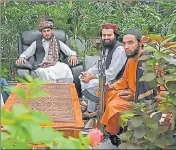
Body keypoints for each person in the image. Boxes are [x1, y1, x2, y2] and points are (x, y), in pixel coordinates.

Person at [94, 28, 157, 148]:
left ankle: (112, 136)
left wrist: (134, 96)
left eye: (130, 43)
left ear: (140, 42)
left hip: (141, 100)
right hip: (130, 95)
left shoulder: (149, 61)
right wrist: (111, 86)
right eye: (124, 43)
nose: (126, 46)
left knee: (113, 106)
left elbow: (153, 90)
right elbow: (125, 80)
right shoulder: (131, 59)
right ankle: (111, 132)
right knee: (105, 93)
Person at [80, 23, 127, 118]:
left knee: (92, 83)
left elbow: (112, 74)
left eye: (109, 35)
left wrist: (91, 77)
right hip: (106, 78)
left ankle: (91, 111)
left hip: (116, 81)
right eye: (104, 35)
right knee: (82, 78)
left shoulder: (119, 50)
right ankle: (92, 108)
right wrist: (88, 73)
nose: (106, 37)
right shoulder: (107, 47)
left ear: (115, 35)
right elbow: (100, 64)